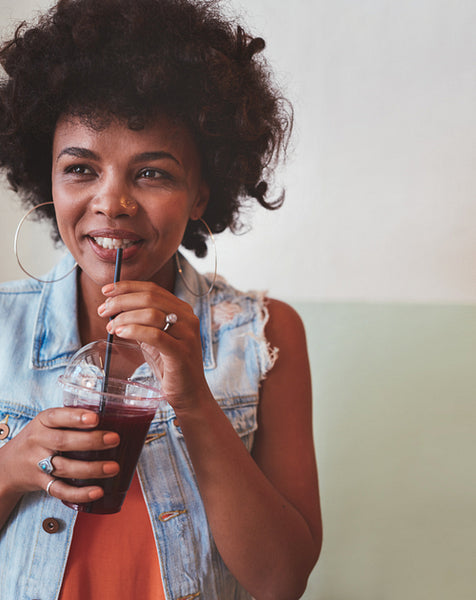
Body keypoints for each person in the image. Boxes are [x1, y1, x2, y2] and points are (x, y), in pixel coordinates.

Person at [0, 0, 322, 598]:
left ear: (202, 192)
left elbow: (281, 581)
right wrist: (13, 467)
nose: (112, 202)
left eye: (151, 174)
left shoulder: (267, 336)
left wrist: (194, 400)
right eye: (80, 169)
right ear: (44, 175)